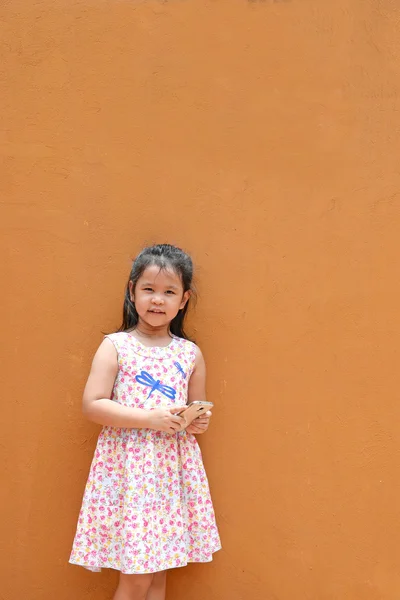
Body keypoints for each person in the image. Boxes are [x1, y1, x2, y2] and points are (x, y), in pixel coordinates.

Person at [69, 244, 221, 600]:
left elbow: (194, 410)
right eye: (149, 289)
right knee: (136, 576)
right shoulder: (116, 346)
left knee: (158, 575)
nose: (158, 300)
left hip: (170, 472)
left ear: (183, 300)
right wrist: (149, 419)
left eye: (169, 292)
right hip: (130, 472)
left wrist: (195, 421)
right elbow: (93, 405)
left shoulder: (190, 353)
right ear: (132, 291)